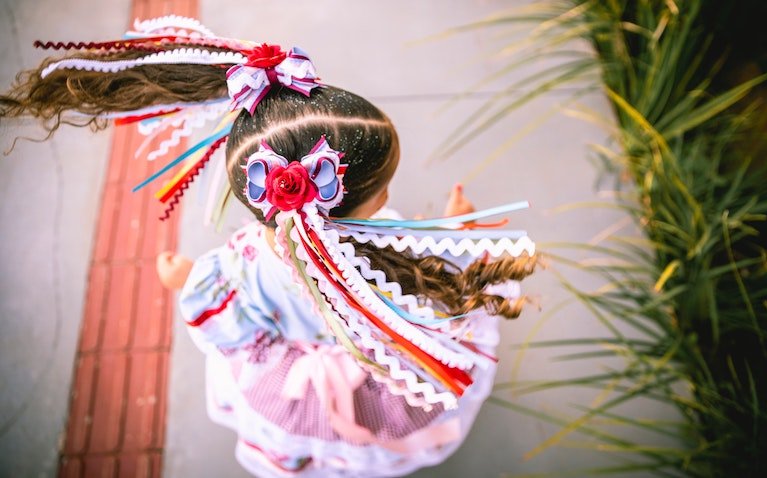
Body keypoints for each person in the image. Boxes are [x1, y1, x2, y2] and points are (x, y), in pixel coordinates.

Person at [1, 16, 537, 477]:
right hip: (384, 382)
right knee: (395, 410)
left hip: (290, 391)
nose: (390, 195)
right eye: (381, 188)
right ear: (333, 200)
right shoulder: (394, 259)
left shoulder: (243, 264)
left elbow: (227, 319)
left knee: (304, 432)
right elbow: (441, 289)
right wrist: (455, 232)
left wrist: (186, 278)